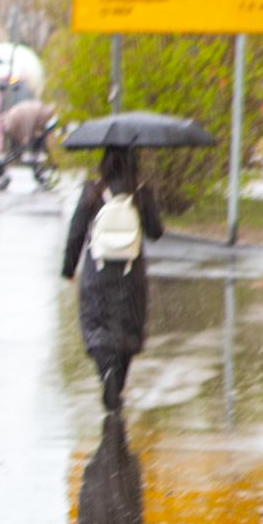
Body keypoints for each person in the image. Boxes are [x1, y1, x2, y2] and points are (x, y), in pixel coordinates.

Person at [62, 147, 164, 411]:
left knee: (96, 324)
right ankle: (116, 385)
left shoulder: (92, 191)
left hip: (97, 271)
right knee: (127, 328)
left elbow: (76, 232)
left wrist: (68, 269)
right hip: (131, 274)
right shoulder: (140, 191)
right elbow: (156, 232)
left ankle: (106, 372)